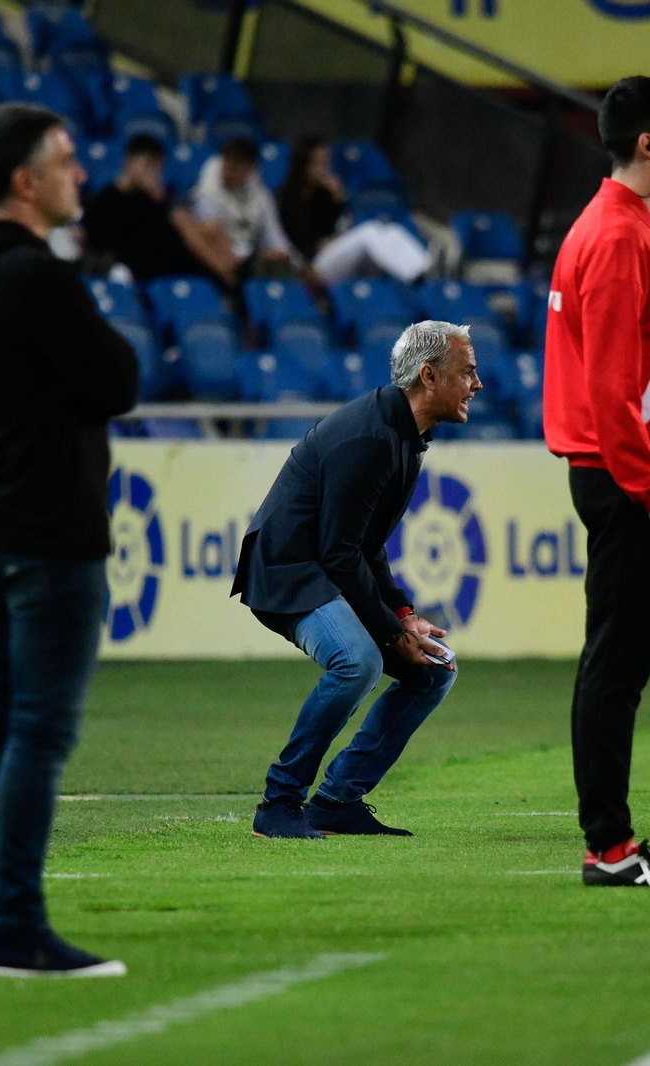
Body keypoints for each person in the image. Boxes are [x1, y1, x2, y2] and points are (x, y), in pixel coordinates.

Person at [0, 102, 139, 978]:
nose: (78, 174)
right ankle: (14, 927)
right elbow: (115, 377)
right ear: (25, 180)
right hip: (49, 529)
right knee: (36, 736)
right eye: (64, 159)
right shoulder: (34, 274)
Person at [543, 76, 650, 889]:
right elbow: (612, 388)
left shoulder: (622, 228)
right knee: (615, 665)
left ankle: (612, 842)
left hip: (623, 471)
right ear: (649, 144)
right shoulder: (615, 237)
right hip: (624, 478)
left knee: (619, 663)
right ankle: (608, 847)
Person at [232, 320, 476, 839]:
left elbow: (365, 547)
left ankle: (338, 800)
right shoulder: (370, 438)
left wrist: (404, 615)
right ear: (430, 377)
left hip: (322, 564)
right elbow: (340, 554)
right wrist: (392, 633)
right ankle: (279, 803)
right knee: (356, 662)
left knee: (436, 670)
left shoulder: (405, 436)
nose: (476, 384)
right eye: (467, 373)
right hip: (286, 571)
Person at [82, 134, 237, 286]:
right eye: (148, 164)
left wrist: (158, 198)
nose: (152, 172)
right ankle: (227, 277)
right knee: (182, 221)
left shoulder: (155, 197)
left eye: (157, 167)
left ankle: (233, 271)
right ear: (128, 161)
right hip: (137, 266)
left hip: (173, 261)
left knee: (210, 227)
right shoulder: (107, 199)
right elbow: (102, 241)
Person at [278, 135, 430, 285]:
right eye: (320, 164)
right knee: (368, 232)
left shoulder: (325, 194)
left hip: (336, 254)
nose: (325, 169)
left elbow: (343, 227)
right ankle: (413, 276)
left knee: (390, 229)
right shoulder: (288, 195)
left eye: (326, 163)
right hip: (312, 265)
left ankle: (425, 269)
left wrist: (339, 200)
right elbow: (289, 240)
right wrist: (317, 246)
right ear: (305, 166)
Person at [191, 137, 297, 278]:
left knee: (287, 265)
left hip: (253, 259)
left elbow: (275, 236)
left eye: (235, 168)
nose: (227, 173)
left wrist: (290, 259)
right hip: (222, 261)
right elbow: (211, 239)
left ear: (250, 169)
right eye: (226, 165)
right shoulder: (206, 195)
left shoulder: (261, 196)